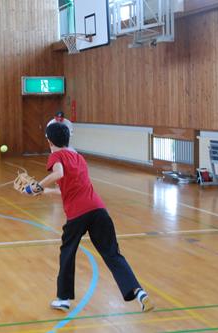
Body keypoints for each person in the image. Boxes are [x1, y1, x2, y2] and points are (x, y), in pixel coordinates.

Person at [24, 122, 154, 313]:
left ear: (49, 141)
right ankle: (139, 292)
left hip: (78, 214)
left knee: (67, 252)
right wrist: (44, 191)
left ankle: (64, 299)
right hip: (98, 210)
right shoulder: (78, 158)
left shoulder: (56, 155)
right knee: (112, 253)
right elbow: (65, 191)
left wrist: (35, 186)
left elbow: (58, 172)